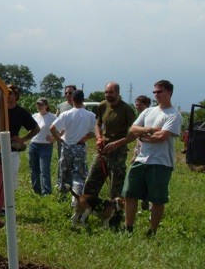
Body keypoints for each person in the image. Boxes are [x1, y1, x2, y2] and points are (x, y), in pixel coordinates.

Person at [122, 80, 182, 237]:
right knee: (129, 193)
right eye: (154, 92)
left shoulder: (173, 114)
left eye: (159, 91)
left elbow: (161, 136)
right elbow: (133, 129)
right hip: (141, 159)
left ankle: (152, 231)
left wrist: (144, 136)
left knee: (157, 199)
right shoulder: (148, 112)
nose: (156, 95)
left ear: (169, 92)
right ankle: (128, 227)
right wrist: (148, 130)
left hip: (161, 162)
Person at [75, 82, 136, 228]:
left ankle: (114, 220)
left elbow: (134, 133)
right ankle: (87, 213)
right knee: (91, 182)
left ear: (118, 93)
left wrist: (118, 143)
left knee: (116, 187)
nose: (108, 95)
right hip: (103, 150)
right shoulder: (103, 105)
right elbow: (98, 125)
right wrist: (99, 138)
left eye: (111, 93)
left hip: (118, 151)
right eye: (106, 92)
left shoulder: (126, 109)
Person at [50, 89, 95, 222]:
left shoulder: (67, 114)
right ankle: (75, 201)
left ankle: (62, 196)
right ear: (83, 99)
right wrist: (86, 137)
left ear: (72, 100)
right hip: (80, 147)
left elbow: (52, 128)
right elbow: (95, 131)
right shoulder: (90, 115)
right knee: (79, 175)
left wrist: (59, 139)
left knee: (65, 172)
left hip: (67, 146)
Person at [6, 84, 40, 188]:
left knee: (11, 179)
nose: (7, 95)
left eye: (10, 93)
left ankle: (9, 203)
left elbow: (36, 129)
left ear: (16, 96)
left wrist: (22, 139)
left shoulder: (21, 112)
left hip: (12, 151)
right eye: (5, 92)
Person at [28, 97, 56, 195]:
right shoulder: (34, 116)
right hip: (34, 144)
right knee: (34, 169)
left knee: (44, 170)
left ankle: (46, 193)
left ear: (46, 106)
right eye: (37, 104)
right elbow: (30, 129)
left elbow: (62, 129)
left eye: (41, 104)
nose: (38, 106)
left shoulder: (52, 117)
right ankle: (36, 191)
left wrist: (54, 139)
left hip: (46, 146)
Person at [133, 94, 152, 211]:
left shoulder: (149, 117)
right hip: (139, 152)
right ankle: (143, 203)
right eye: (136, 104)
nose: (137, 107)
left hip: (148, 154)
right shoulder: (140, 117)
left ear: (146, 105)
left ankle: (148, 204)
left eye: (139, 104)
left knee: (147, 180)